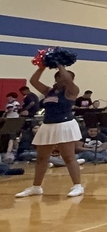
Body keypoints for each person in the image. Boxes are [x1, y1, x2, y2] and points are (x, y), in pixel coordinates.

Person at [15, 63, 84, 198]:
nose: (66, 79)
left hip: (64, 125)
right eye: (62, 77)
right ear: (56, 78)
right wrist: (42, 66)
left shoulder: (72, 91)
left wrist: (59, 63)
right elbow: (33, 81)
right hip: (48, 125)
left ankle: (77, 186)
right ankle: (36, 187)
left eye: (69, 78)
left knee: (68, 157)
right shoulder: (48, 91)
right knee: (41, 158)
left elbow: (67, 79)